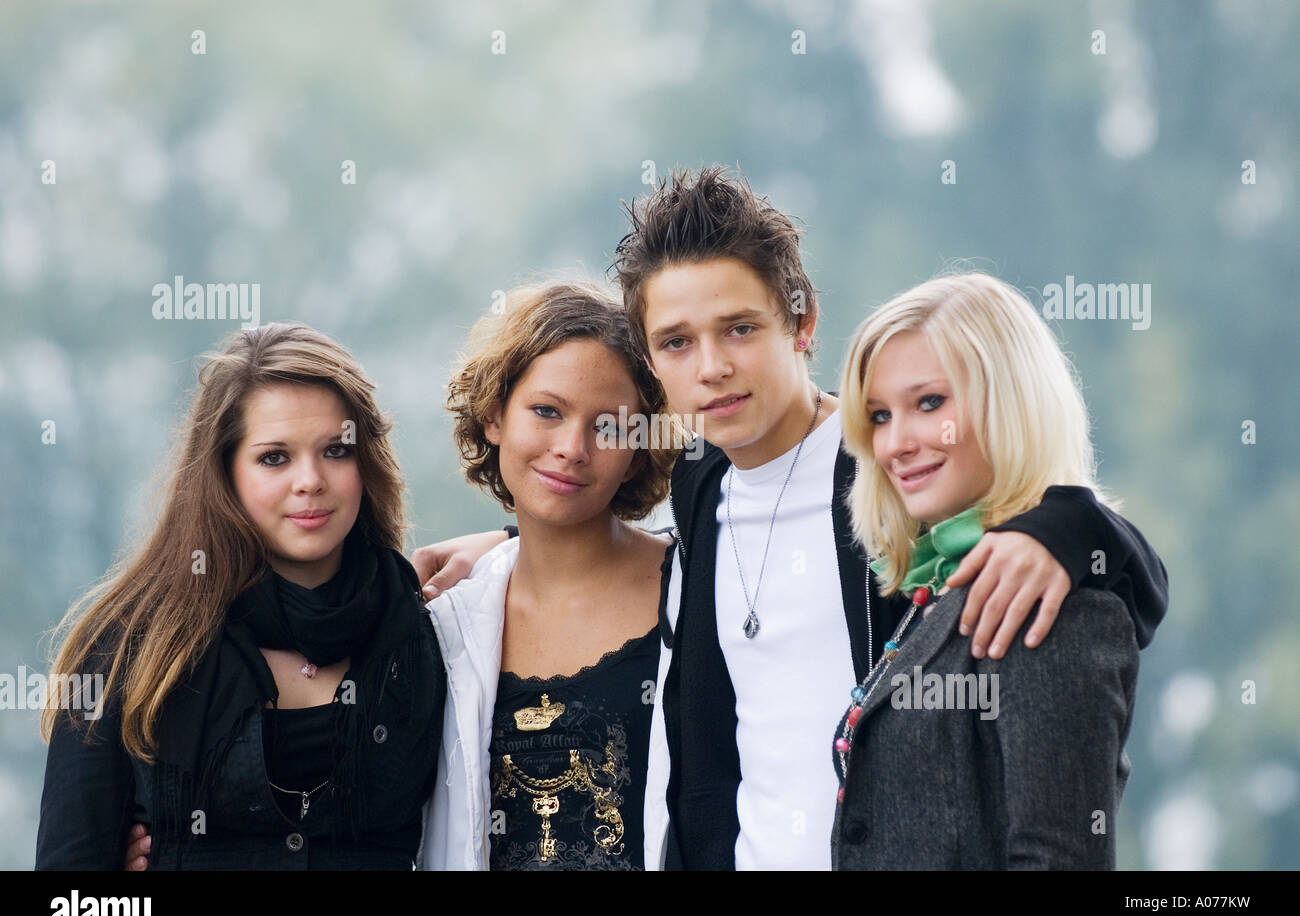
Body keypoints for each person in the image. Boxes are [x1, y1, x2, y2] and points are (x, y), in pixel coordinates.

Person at [414, 166, 1168, 870]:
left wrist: (1067, 530)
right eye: (677, 342)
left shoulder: (889, 464)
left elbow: (1107, 561)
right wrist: (512, 544)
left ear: (801, 323)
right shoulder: (701, 484)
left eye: (739, 328)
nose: (711, 366)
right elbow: (607, 520)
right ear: (653, 363)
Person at [37, 323, 445, 870]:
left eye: (335, 450)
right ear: (224, 473)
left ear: (365, 462)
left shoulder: (423, 628)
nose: (310, 480)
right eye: (274, 457)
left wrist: (504, 539)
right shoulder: (129, 647)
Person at [831, 271, 1145, 868]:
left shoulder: (1047, 598)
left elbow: (1056, 858)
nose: (896, 443)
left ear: (1009, 400)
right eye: (878, 416)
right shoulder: (938, 586)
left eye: (929, 403)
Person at [418, 281, 678, 870]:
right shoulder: (446, 618)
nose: (572, 447)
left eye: (608, 427)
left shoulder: (698, 594)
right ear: (493, 414)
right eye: (546, 411)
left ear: (639, 448)